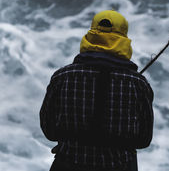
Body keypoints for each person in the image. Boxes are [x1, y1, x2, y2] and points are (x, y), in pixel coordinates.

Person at [40, 10, 154, 171]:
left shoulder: (62, 76)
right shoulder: (138, 83)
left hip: (67, 164)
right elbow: (144, 139)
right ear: (124, 38)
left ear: (91, 34)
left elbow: (49, 130)